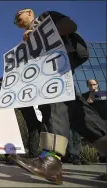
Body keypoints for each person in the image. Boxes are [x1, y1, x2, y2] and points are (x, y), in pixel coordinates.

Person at [10, 8, 107, 184]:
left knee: (53, 101)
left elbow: (70, 25)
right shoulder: (27, 36)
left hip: (57, 67)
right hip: (50, 70)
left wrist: (36, 34)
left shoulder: (46, 17)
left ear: (30, 13)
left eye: (19, 15)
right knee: (77, 114)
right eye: (15, 20)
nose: (17, 20)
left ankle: (51, 160)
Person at [0, 77, 41, 164]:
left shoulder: (15, 87)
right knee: (7, 134)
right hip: (6, 116)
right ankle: (9, 156)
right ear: (0, 82)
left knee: (27, 132)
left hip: (18, 113)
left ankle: (31, 153)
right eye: (2, 81)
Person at [82, 79, 107, 163]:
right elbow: (86, 104)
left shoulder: (104, 93)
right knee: (98, 138)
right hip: (95, 121)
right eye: (90, 85)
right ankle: (102, 156)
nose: (92, 86)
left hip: (105, 119)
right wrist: (91, 94)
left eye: (94, 84)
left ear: (97, 84)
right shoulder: (84, 96)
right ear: (87, 86)